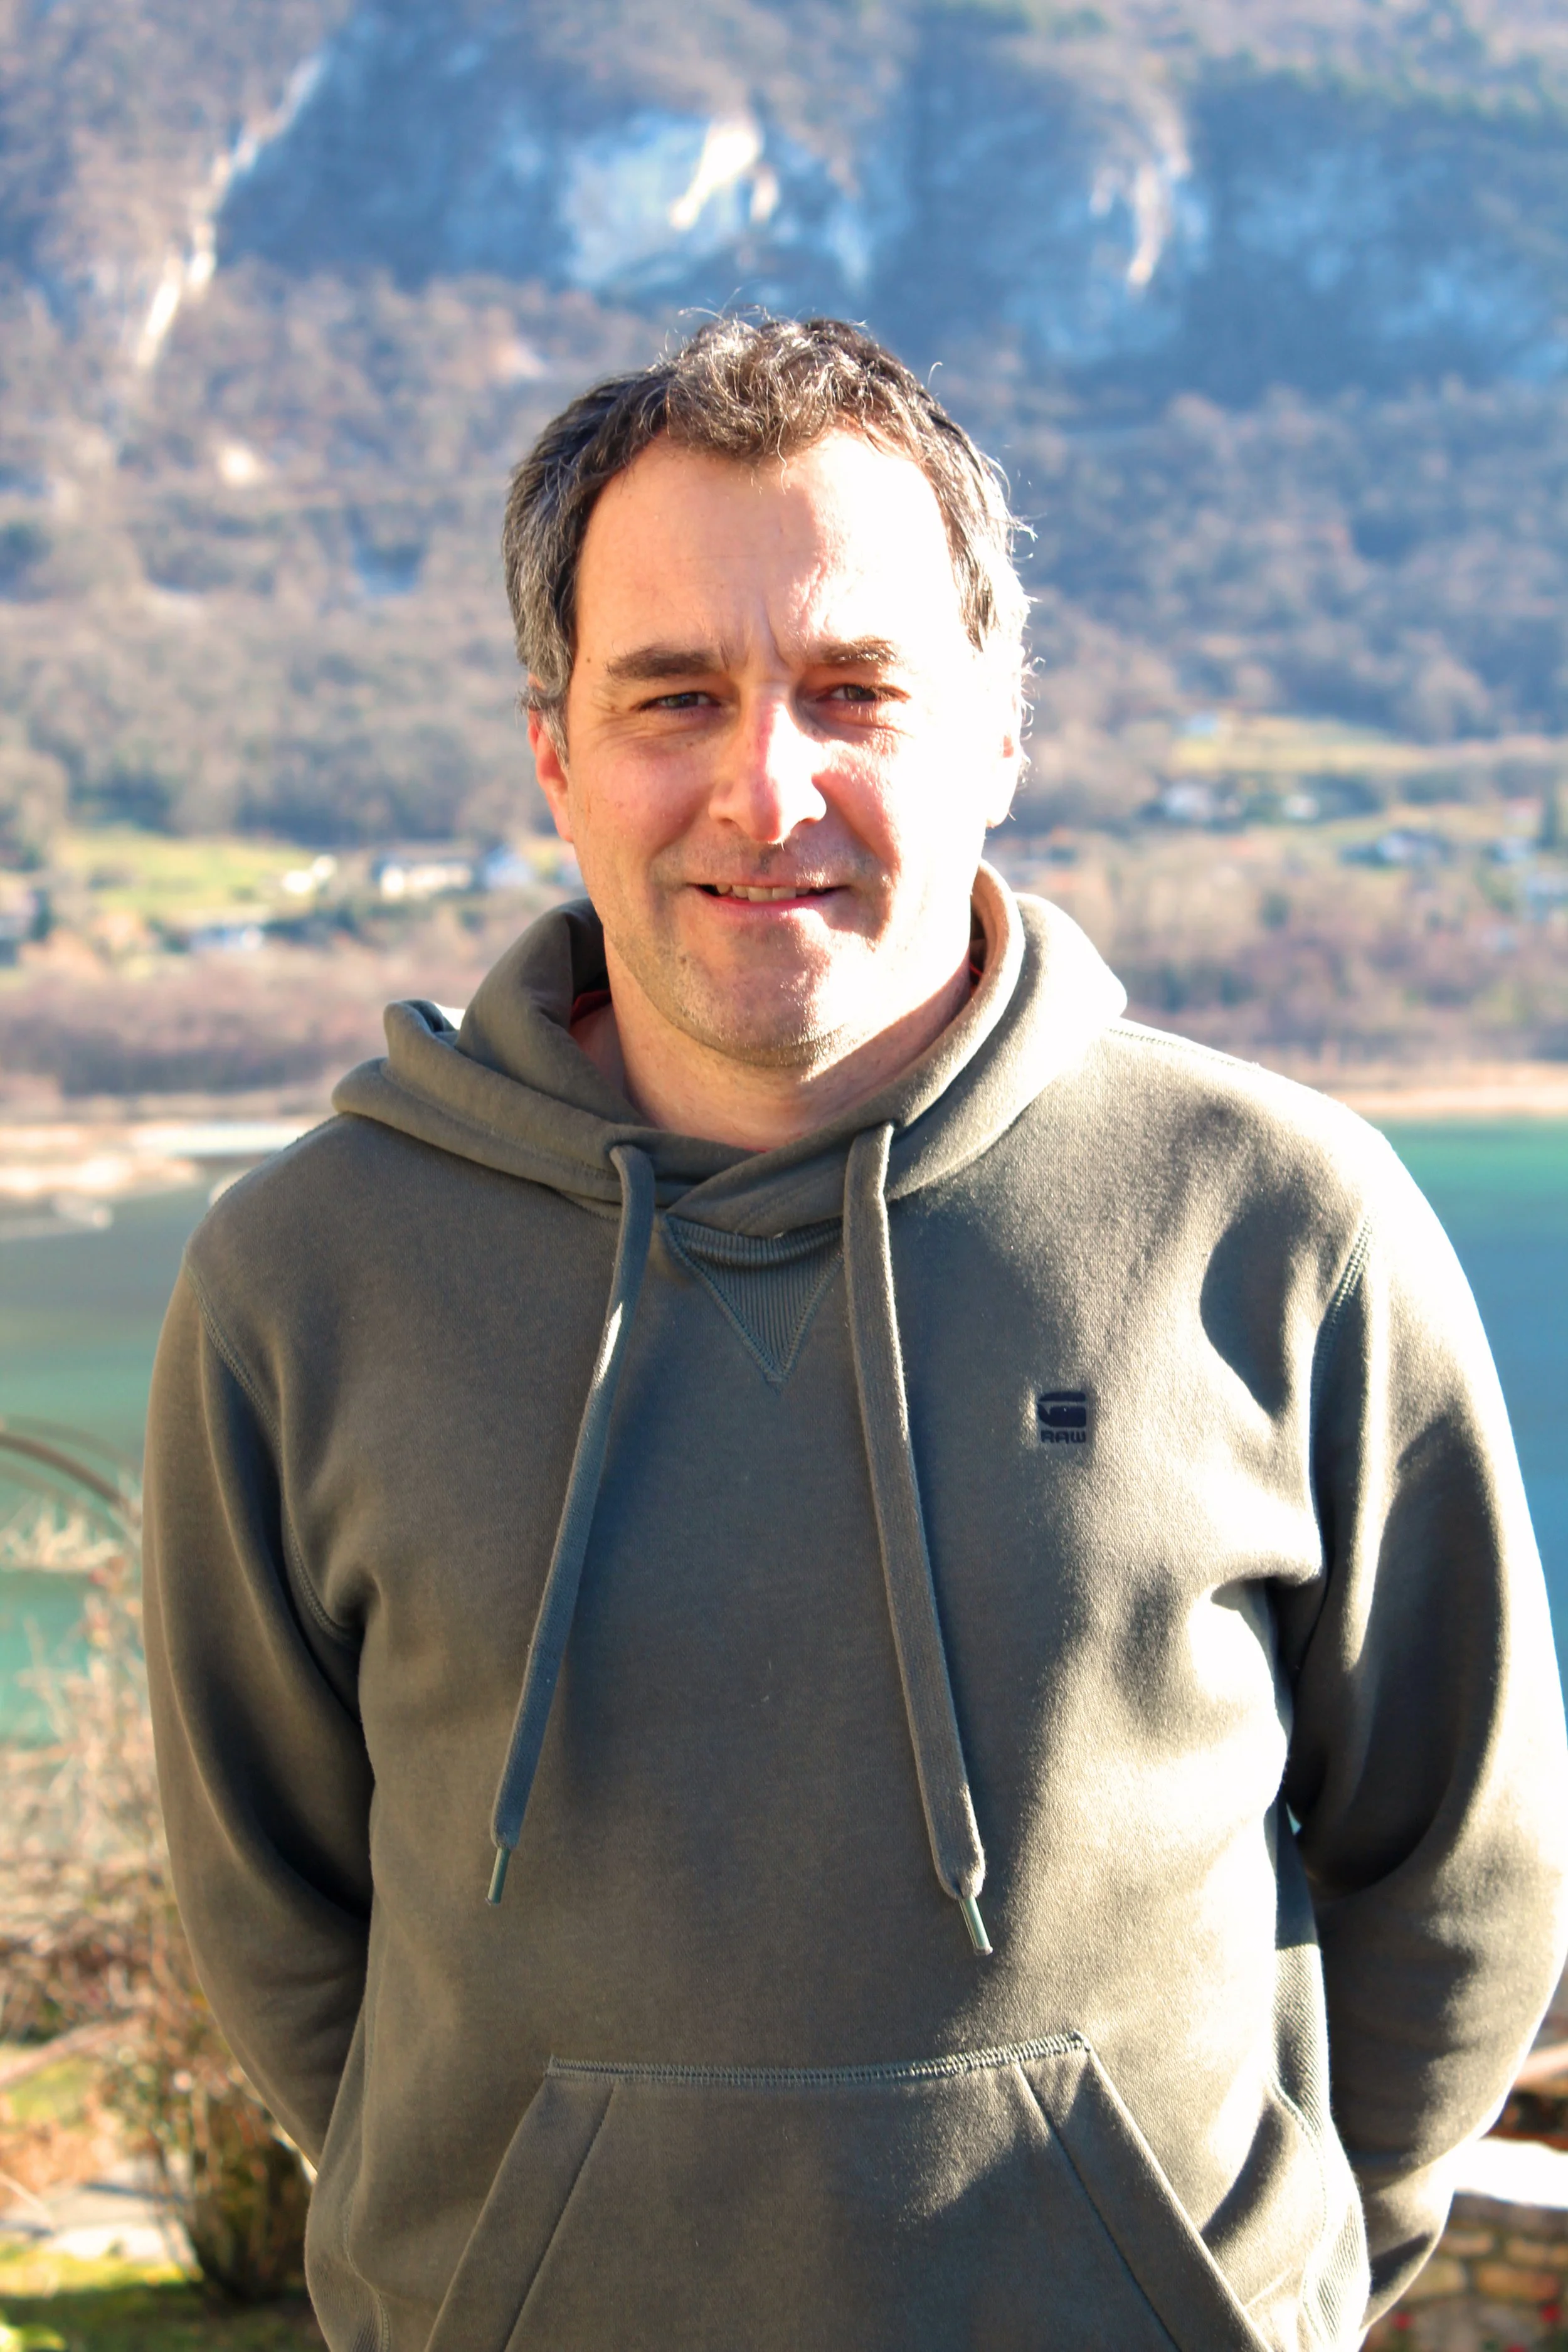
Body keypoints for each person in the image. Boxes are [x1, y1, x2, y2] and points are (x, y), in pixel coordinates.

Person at [143, 315, 1568, 2352]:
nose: (764, 782)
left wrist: (1257, 2289)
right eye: (674, 695)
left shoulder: (1280, 1224)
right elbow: (278, 1918)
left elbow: (1457, 1859)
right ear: (555, 752)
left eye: (851, 689)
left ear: (994, 728)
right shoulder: (304, 1280)